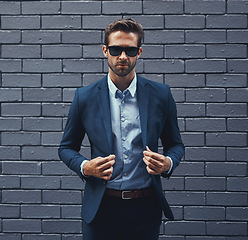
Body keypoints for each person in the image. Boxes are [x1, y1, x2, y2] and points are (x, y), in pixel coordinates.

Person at [58, 18, 184, 240]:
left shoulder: (161, 95)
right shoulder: (84, 97)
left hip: (145, 208)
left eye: (130, 50)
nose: (123, 56)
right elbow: (66, 148)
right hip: (101, 208)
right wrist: (86, 166)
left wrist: (168, 163)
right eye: (116, 49)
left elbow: (175, 145)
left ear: (139, 52)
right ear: (105, 51)